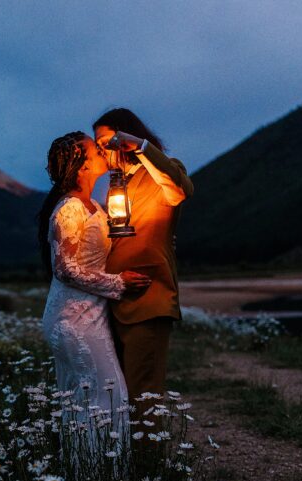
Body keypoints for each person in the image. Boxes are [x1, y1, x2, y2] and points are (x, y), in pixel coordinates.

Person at [36, 131, 151, 467]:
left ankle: (86, 477)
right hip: (72, 318)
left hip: (91, 314)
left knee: (88, 398)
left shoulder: (95, 206)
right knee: (106, 395)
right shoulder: (69, 209)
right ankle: (98, 480)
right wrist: (118, 284)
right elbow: (65, 269)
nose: (101, 150)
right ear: (81, 164)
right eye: (94, 148)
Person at [91, 109, 194, 420]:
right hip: (111, 300)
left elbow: (181, 190)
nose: (103, 151)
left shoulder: (164, 174)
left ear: (127, 136)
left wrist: (140, 147)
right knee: (119, 394)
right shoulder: (111, 186)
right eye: (98, 145)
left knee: (144, 393)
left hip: (148, 297)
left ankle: (149, 466)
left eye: (106, 142)